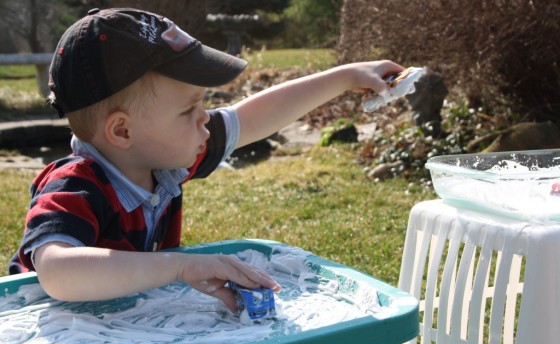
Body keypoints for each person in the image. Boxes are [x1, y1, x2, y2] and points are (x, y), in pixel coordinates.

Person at [8, 8, 403, 312]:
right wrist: (179, 267)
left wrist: (347, 77)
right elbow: (58, 272)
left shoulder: (161, 160)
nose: (205, 120)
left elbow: (249, 118)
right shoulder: (73, 187)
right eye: (189, 110)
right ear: (123, 131)